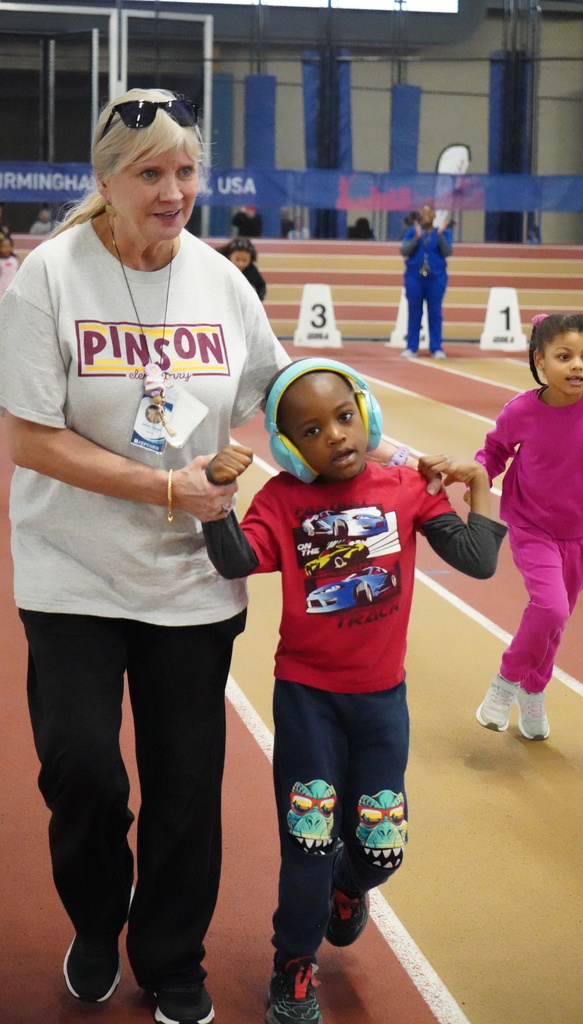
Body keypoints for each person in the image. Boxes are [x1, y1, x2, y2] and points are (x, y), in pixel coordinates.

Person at [0, 87, 289, 1024]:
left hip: (189, 581)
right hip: (71, 569)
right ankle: (95, 919)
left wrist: (382, 456)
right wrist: (166, 485)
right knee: (80, 767)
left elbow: (281, 399)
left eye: (186, 171)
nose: (173, 192)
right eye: (150, 173)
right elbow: (31, 439)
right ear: (106, 180)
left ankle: (171, 957)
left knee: (183, 783)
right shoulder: (48, 277)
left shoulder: (220, 280)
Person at [200, 357, 507, 1024]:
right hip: (308, 703)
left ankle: (349, 888)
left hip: (380, 709)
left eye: (343, 418)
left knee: (380, 848)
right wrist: (217, 496)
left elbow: (478, 561)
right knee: (308, 840)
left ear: (365, 414)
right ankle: (294, 966)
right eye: (310, 431)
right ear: (286, 447)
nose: (334, 436)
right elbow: (234, 560)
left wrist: (479, 485)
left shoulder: (404, 488)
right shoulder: (281, 501)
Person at [472, 313, 583, 741]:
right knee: (550, 608)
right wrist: (481, 475)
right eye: (564, 356)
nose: (577, 365)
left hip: (582, 533)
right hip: (530, 524)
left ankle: (534, 693)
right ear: (539, 360)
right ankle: (505, 683)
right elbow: (495, 449)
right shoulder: (521, 410)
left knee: (556, 620)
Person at [399, 203, 452, 360]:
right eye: (424, 212)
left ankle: (436, 348)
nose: (427, 214)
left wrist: (441, 236)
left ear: (434, 216)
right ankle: (411, 347)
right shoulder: (412, 232)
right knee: (414, 312)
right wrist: (416, 238)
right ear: (421, 216)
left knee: (435, 313)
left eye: (430, 212)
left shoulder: (444, 232)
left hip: (436, 279)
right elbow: (404, 251)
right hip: (414, 278)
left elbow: (448, 252)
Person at [218, 236, 267, 301]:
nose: (241, 264)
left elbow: (261, 285)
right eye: (237, 259)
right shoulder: (221, 266)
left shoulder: (251, 270)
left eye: (244, 260)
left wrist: (257, 301)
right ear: (229, 256)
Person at [0, 232, 19, 299]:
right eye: (3, 247)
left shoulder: (14, 260)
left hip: (12, 291)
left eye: (8, 247)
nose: (6, 250)